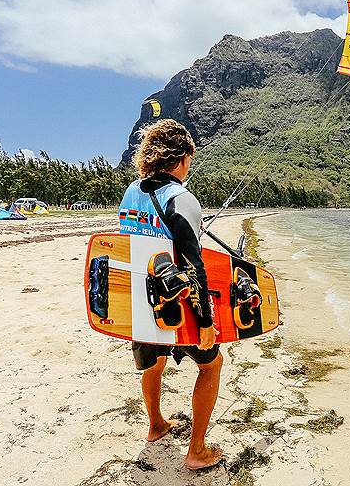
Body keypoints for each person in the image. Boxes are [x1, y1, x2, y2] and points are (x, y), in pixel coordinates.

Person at [120, 118, 223, 470]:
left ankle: (155, 425)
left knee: (154, 362)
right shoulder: (183, 198)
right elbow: (194, 267)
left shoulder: (131, 192)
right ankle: (196, 451)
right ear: (180, 159)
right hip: (177, 304)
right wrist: (206, 322)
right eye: (189, 160)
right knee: (211, 364)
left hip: (140, 301)